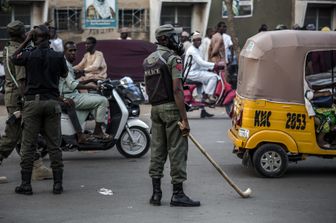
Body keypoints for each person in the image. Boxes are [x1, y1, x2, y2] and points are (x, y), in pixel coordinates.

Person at [143, 24, 200, 207]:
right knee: (177, 151)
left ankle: (156, 194)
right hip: (171, 110)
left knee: (157, 152)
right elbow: (177, 90)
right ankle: (177, 194)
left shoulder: (148, 60)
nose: (177, 41)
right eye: (173, 37)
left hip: (155, 110)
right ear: (164, 39)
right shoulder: (173, 59)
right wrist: (184, 118)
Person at [11, 24, 68, 195]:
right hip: (52, 103)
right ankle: (57, 185)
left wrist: (26, 41)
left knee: (28, 146)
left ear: (34, 39)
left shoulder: (29, 55)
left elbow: (14, 58)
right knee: (54, 145)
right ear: (49, 38)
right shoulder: (58, 56)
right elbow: (64, 75)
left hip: (32, 104)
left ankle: (26, 185)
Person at [0, 21, 53, 184]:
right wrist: (26, 102)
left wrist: (39, 28)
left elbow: (23, 42)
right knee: (12, 136)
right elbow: (21, 81)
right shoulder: (19, 53)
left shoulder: (9, 48)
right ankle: (37, 168)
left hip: (12, 96)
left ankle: (38, 168)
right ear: (22, 34)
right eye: (26, 32)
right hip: (19, 98)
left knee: (26, 135)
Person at [61, 41, 110, 140]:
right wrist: (92, 86)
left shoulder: (68, 64)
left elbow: (74, 77)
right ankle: (98, 131)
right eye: (70, 50)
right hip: (71, 96)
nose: (73, 53)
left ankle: (88, 128)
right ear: (64, 52)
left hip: (73, 94)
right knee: (103, 100)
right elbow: (72, 84)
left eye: (75, 50)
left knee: (96, 98)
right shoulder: (65, 65)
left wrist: (91, 80)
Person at [185, 32, 224, 117]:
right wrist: (215, 65)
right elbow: (201, 62)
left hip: (195, 72)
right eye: (196, 40)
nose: (199, 41)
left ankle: (203, 111)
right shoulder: (192, 50)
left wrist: (210, 68)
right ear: (193, 41)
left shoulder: (198, 49)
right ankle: (207, 96)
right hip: (191, 73)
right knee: (214, 77)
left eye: (200, 40)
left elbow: (199, 64)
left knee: (201, 91)